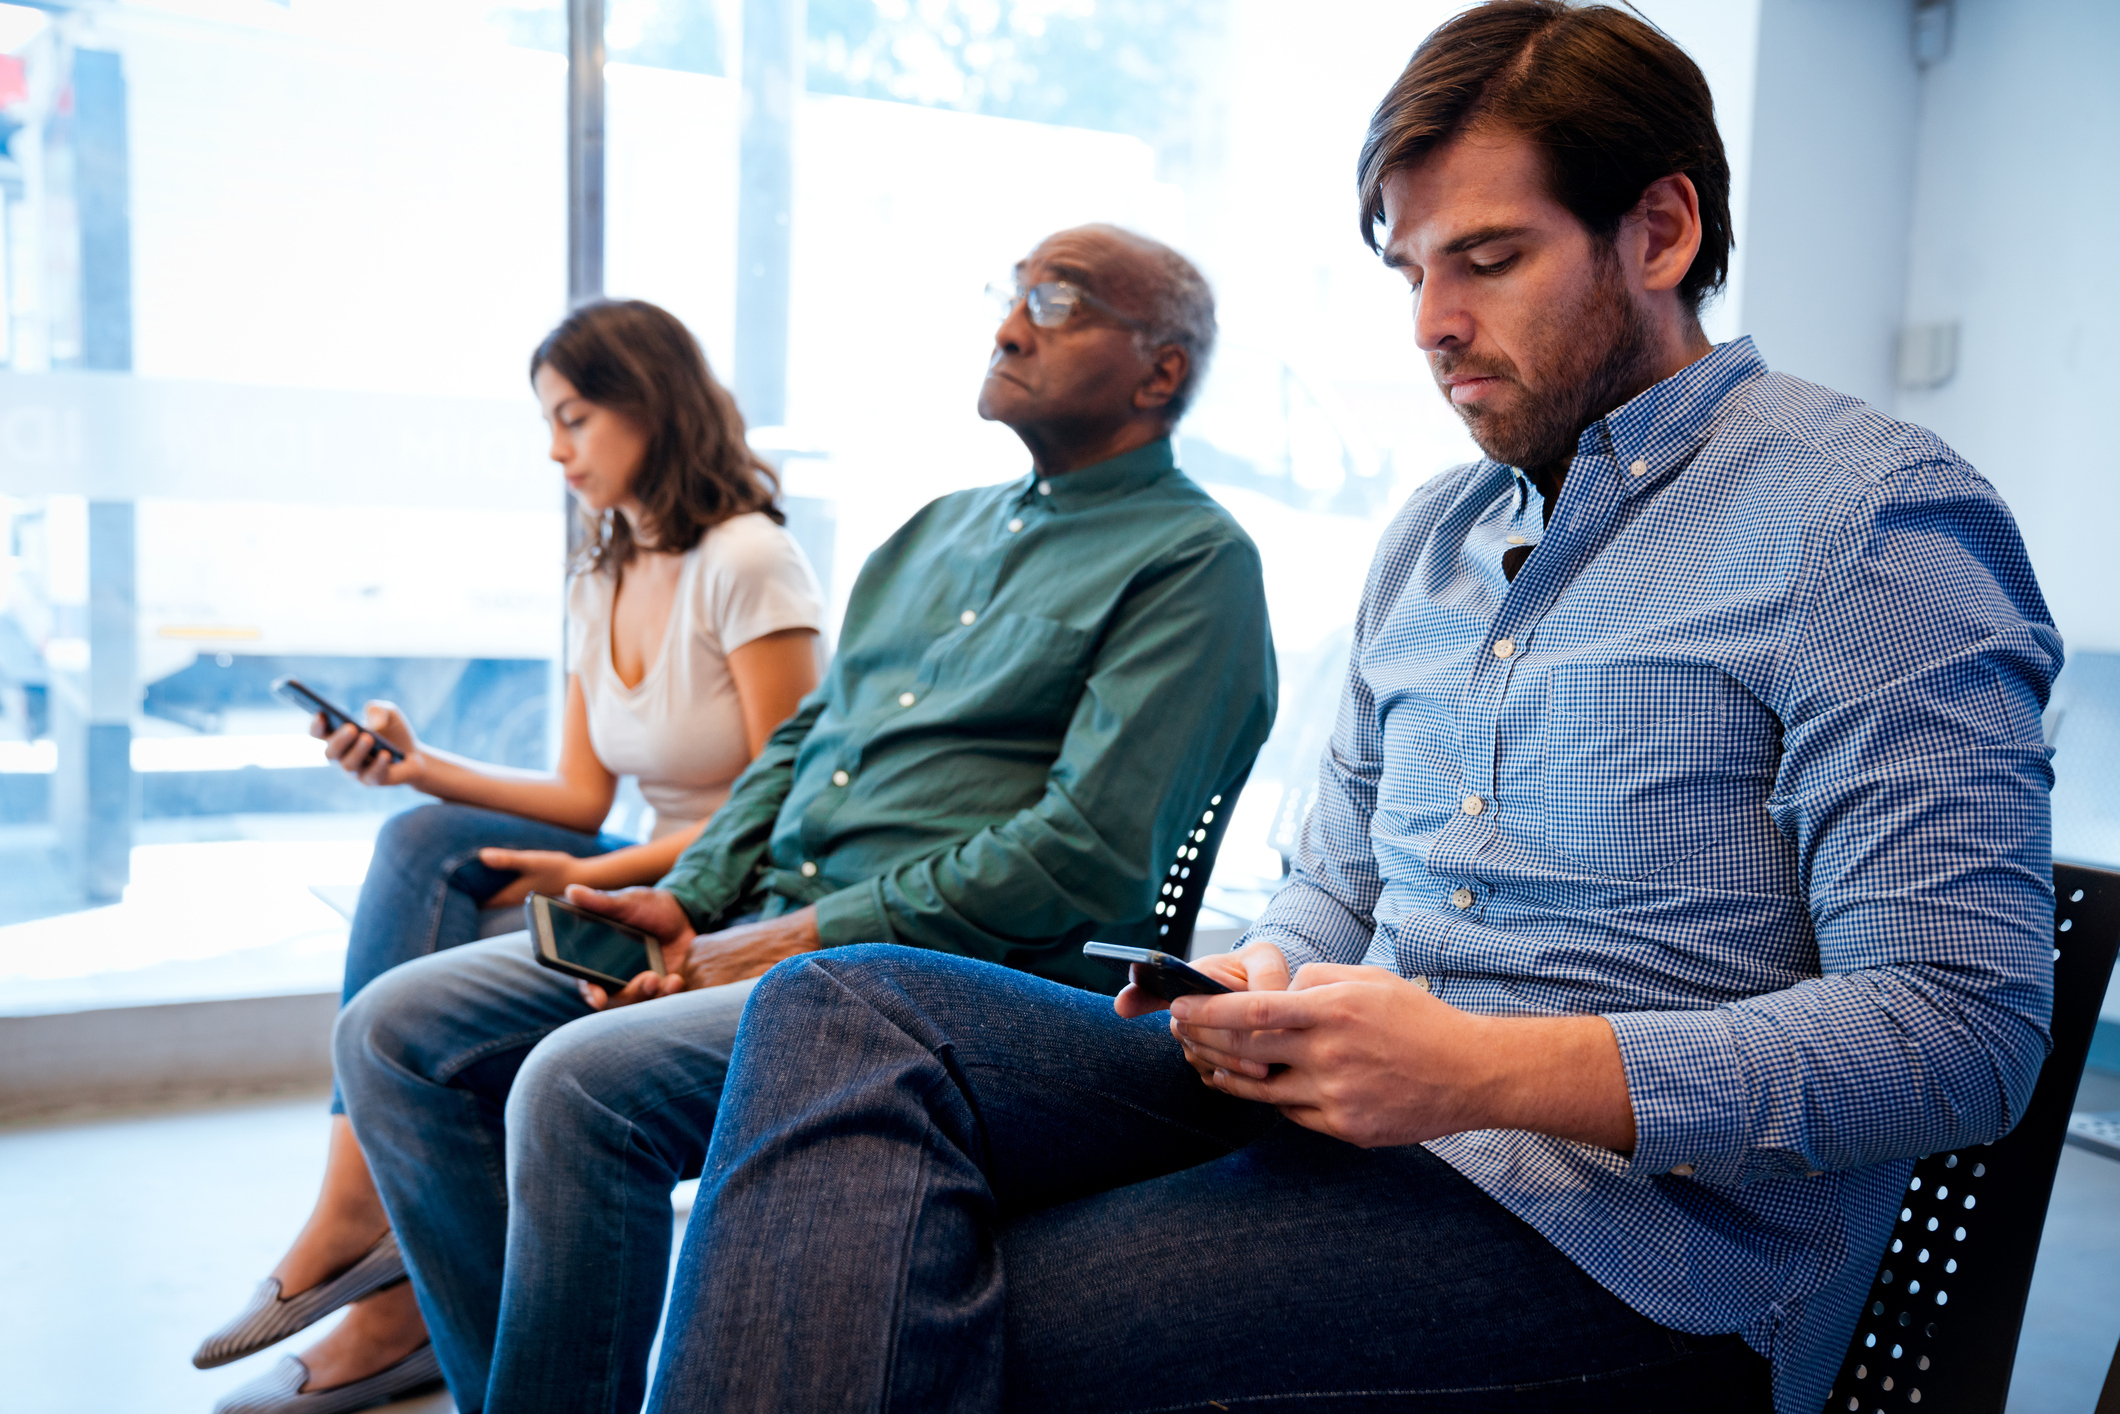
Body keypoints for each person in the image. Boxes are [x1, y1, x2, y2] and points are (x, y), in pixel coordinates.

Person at [647, 7, 2063, 1414]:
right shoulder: (1433, 538)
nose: (1436, 324)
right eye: (1413, 273)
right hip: (1359, 1124)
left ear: (1663, 231)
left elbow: (1963, 1032)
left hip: (1638, 1253)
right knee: (841, 1011)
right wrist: (1263, 976)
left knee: (922, 1292)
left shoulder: (1871, 522)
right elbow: (1335, 888)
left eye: (1490, 259)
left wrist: (1473, 1069)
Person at [331, 224, 1278, 1414]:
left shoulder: (1193, 564)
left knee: (575, 1087)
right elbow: (800, 747)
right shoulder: (930, 533)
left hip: (948, 977)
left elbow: (1083, 854)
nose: (1006, 324)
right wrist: (692, 893)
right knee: (392, 1032)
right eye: (1007, 292)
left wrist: (785, 937)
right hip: (774, 923)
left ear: (1159, 373)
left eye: (1056, 301)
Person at [196, 299, 824, 1410]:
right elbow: (582, 794)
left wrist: (620, 876)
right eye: (548, 421)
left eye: (575, 417)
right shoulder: (602, 570)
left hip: (732, 878)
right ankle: (364, 1217)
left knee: (438, 876)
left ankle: (367, 1248)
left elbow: (788, 804)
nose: (555, 450)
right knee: (421, 833)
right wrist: (414, 760)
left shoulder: (749, 560)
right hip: (646, 852)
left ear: (650, 402)